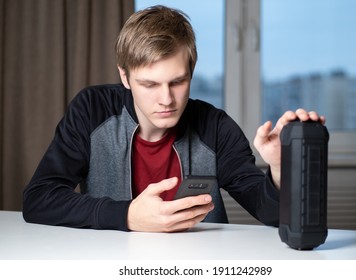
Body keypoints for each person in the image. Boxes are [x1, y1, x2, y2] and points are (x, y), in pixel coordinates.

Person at [23, 5, 325, 233]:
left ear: (191, 72)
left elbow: (271, 214)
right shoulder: (92, 109)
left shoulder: (215, 126)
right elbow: (38, 199)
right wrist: (128, 215)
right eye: (150, 84)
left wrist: (279, 168)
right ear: (125, 77)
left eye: (177, 82)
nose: (166, 99)